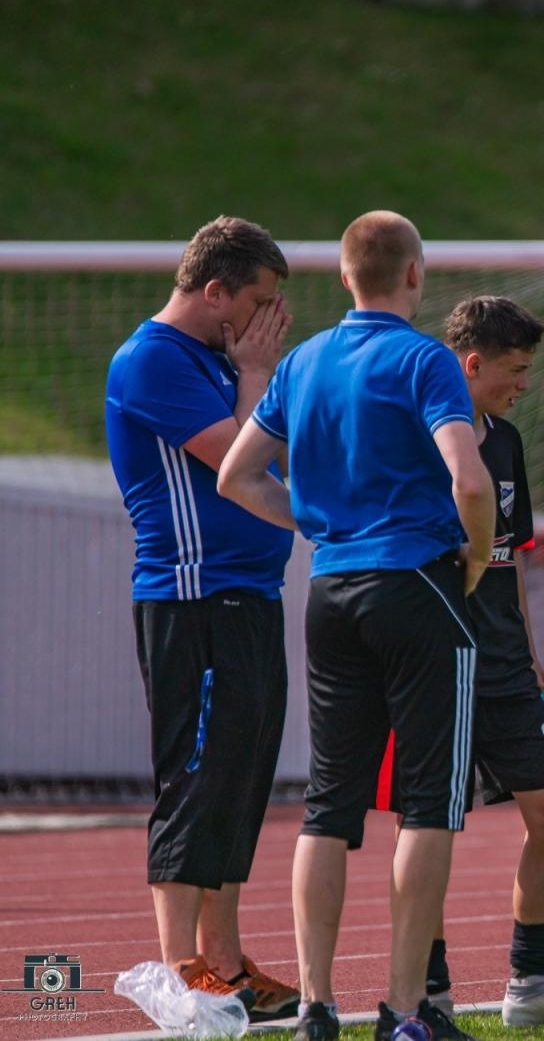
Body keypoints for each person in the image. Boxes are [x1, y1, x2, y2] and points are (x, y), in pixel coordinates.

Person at [219, 210, 494, 1041]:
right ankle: (405, 1009)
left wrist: (319, 524)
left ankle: (315, 1005)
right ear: (414, 273)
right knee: (429, 803)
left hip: (332, 590)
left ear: (344, 276)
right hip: (418, 582)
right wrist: (477, 559)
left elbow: (236, 475)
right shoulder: (425, 359)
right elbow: (469, 479)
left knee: (328, 805)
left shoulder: (302, 361)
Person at [377, 296, 544, 1027]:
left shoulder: (506, 442)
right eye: (514, 370)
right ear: (472, 363)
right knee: (428, 822)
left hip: (505, 660)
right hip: (430, 657)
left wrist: (530, 650)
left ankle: (531, 986)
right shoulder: (416, 437)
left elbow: (509, 556)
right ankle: (429, 988)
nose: (524, 384)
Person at [104, 215, 301, 1020]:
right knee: (195, 777)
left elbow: (282, 467)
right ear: (216, 290)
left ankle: (225, 960)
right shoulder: (152, 358)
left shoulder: (221, 361)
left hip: (250, 596)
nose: (265, 321)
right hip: (193, 600)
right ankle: (181, 970)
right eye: (257, 302)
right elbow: (239, 461)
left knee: (241, 778)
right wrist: (257, 375)